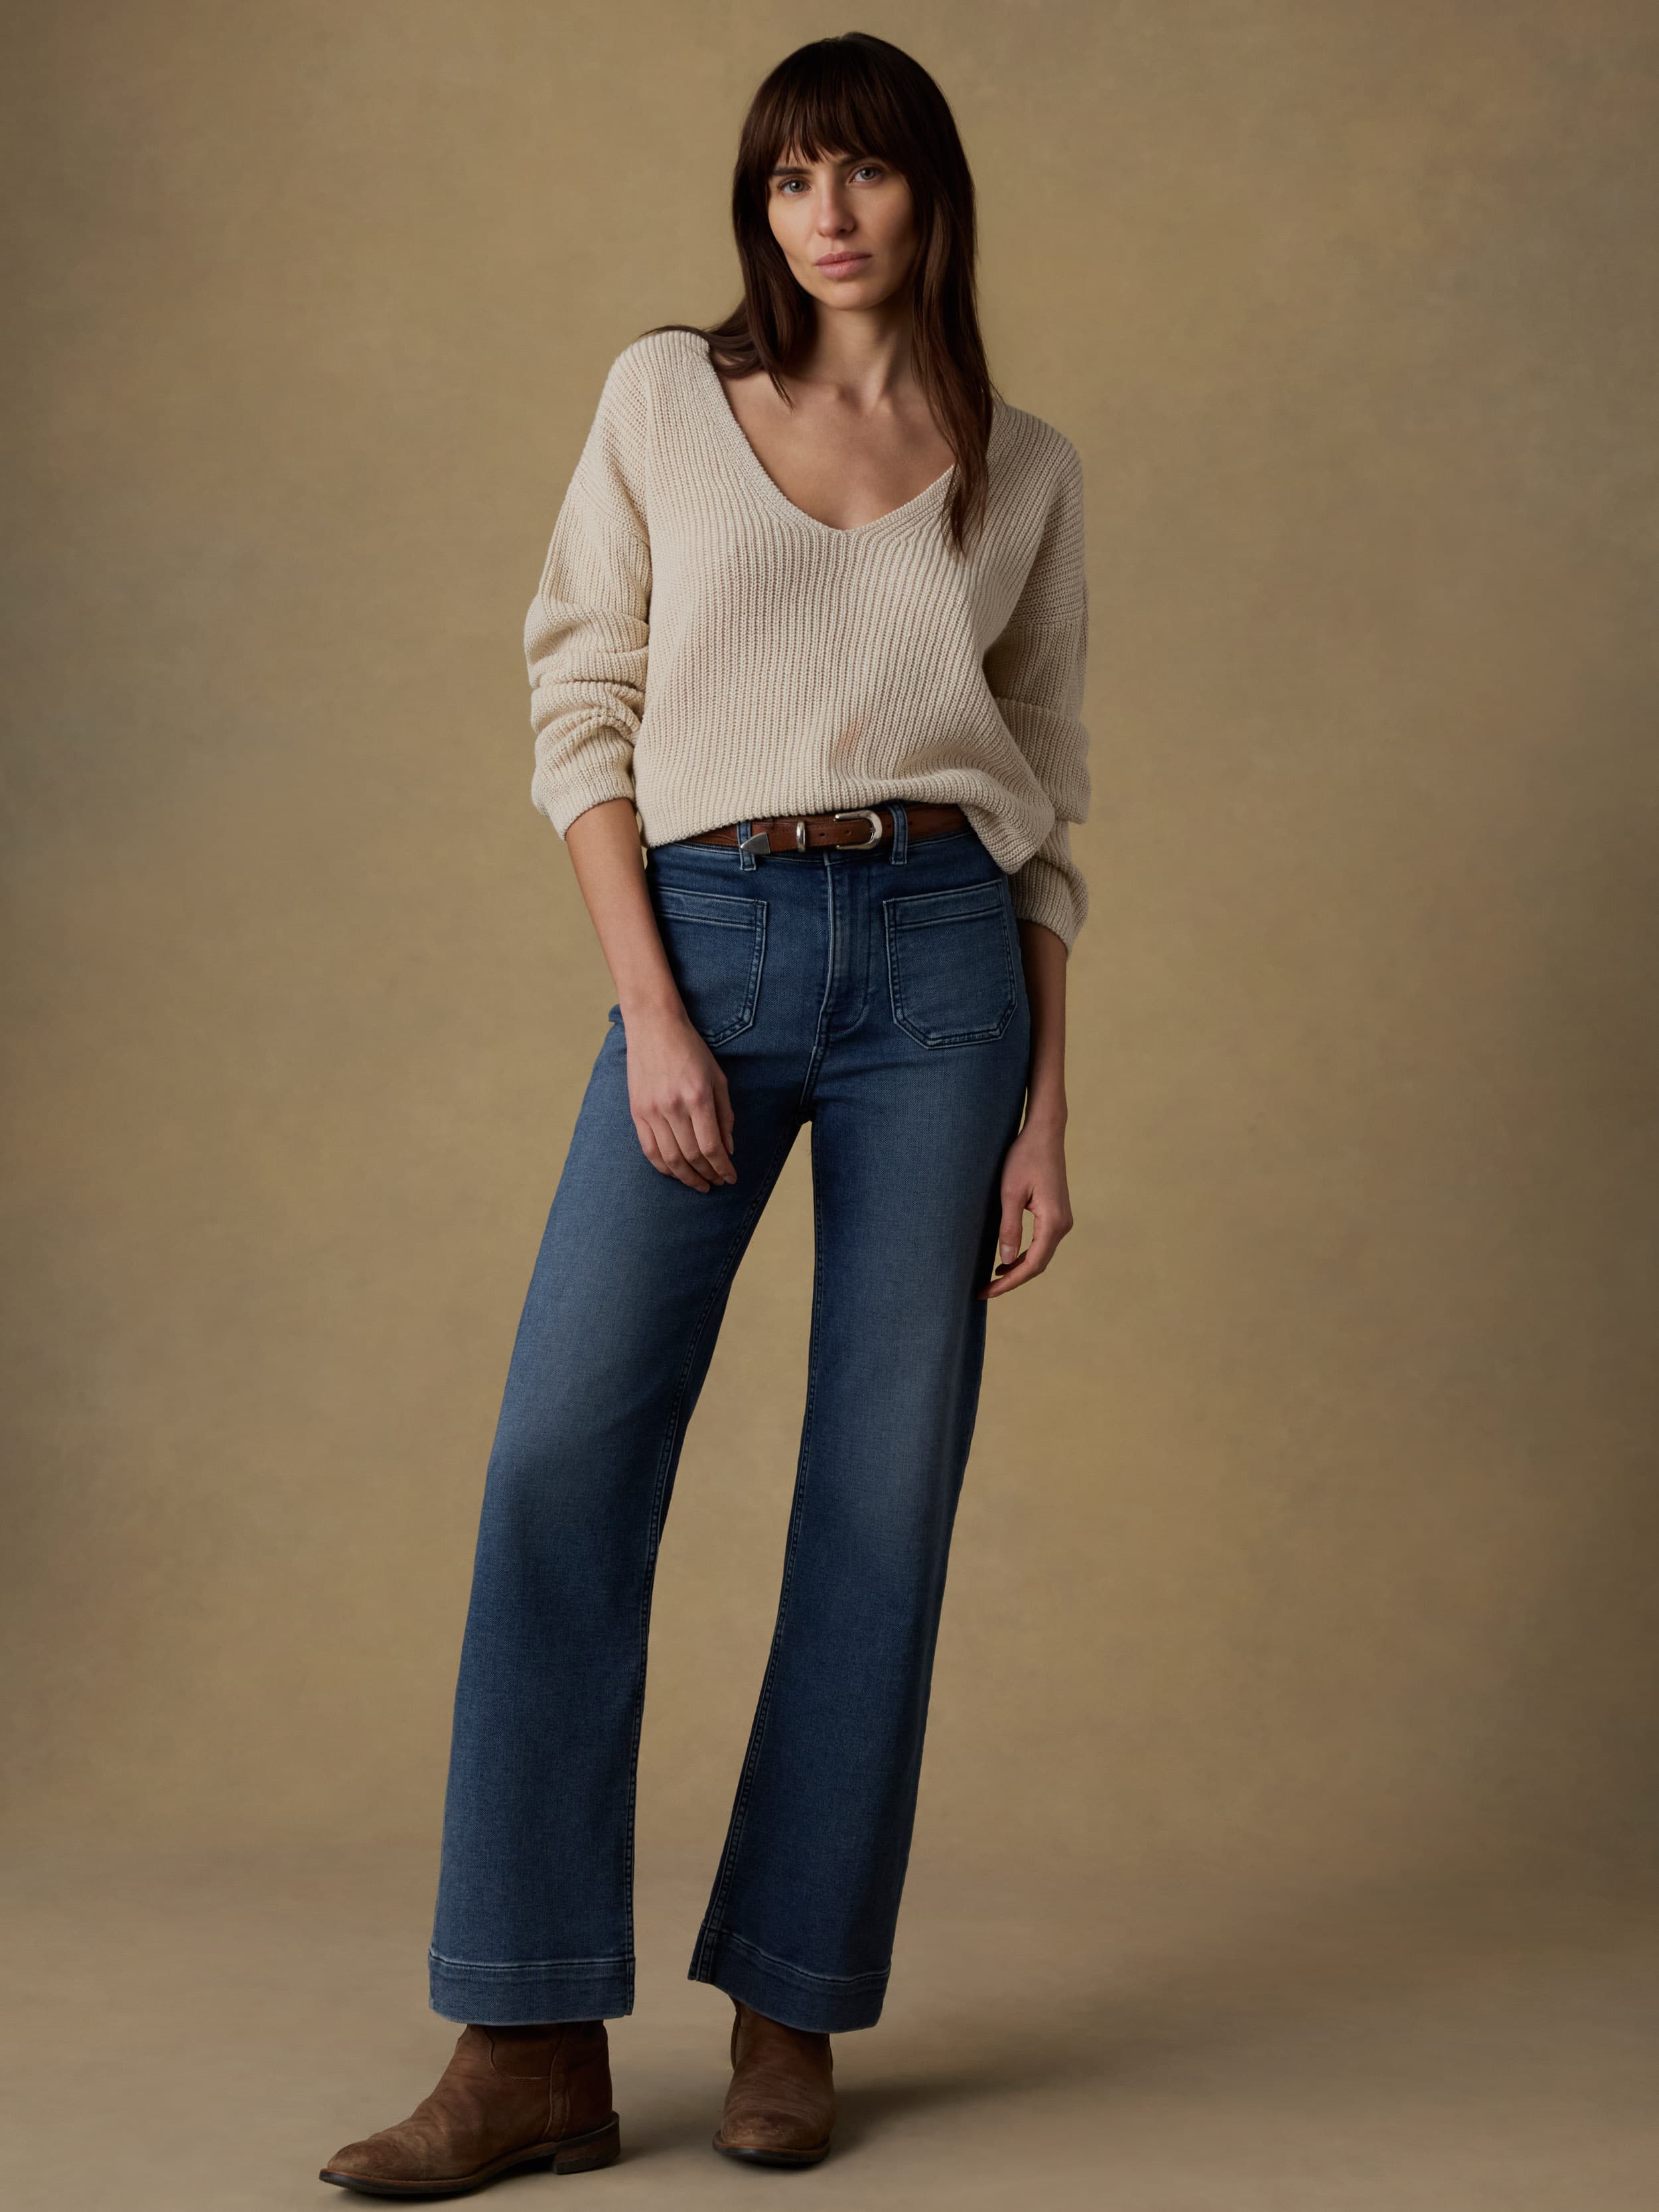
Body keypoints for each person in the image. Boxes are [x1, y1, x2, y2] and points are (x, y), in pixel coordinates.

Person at [320, 27, 1090, 2196]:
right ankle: (527, 2041)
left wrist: (1045, 1106)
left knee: (881, 1492)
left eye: (861, 175)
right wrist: (649, 1008)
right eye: (785, 181)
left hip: (942, 965)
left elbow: (1049, 810)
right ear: (755, 211)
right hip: (712, 936)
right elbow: (581, 698)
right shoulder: (667, 399)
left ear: (929, 198)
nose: (823, 214)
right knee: (566, 1452)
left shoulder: (1015, 467)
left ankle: (787, 2015)